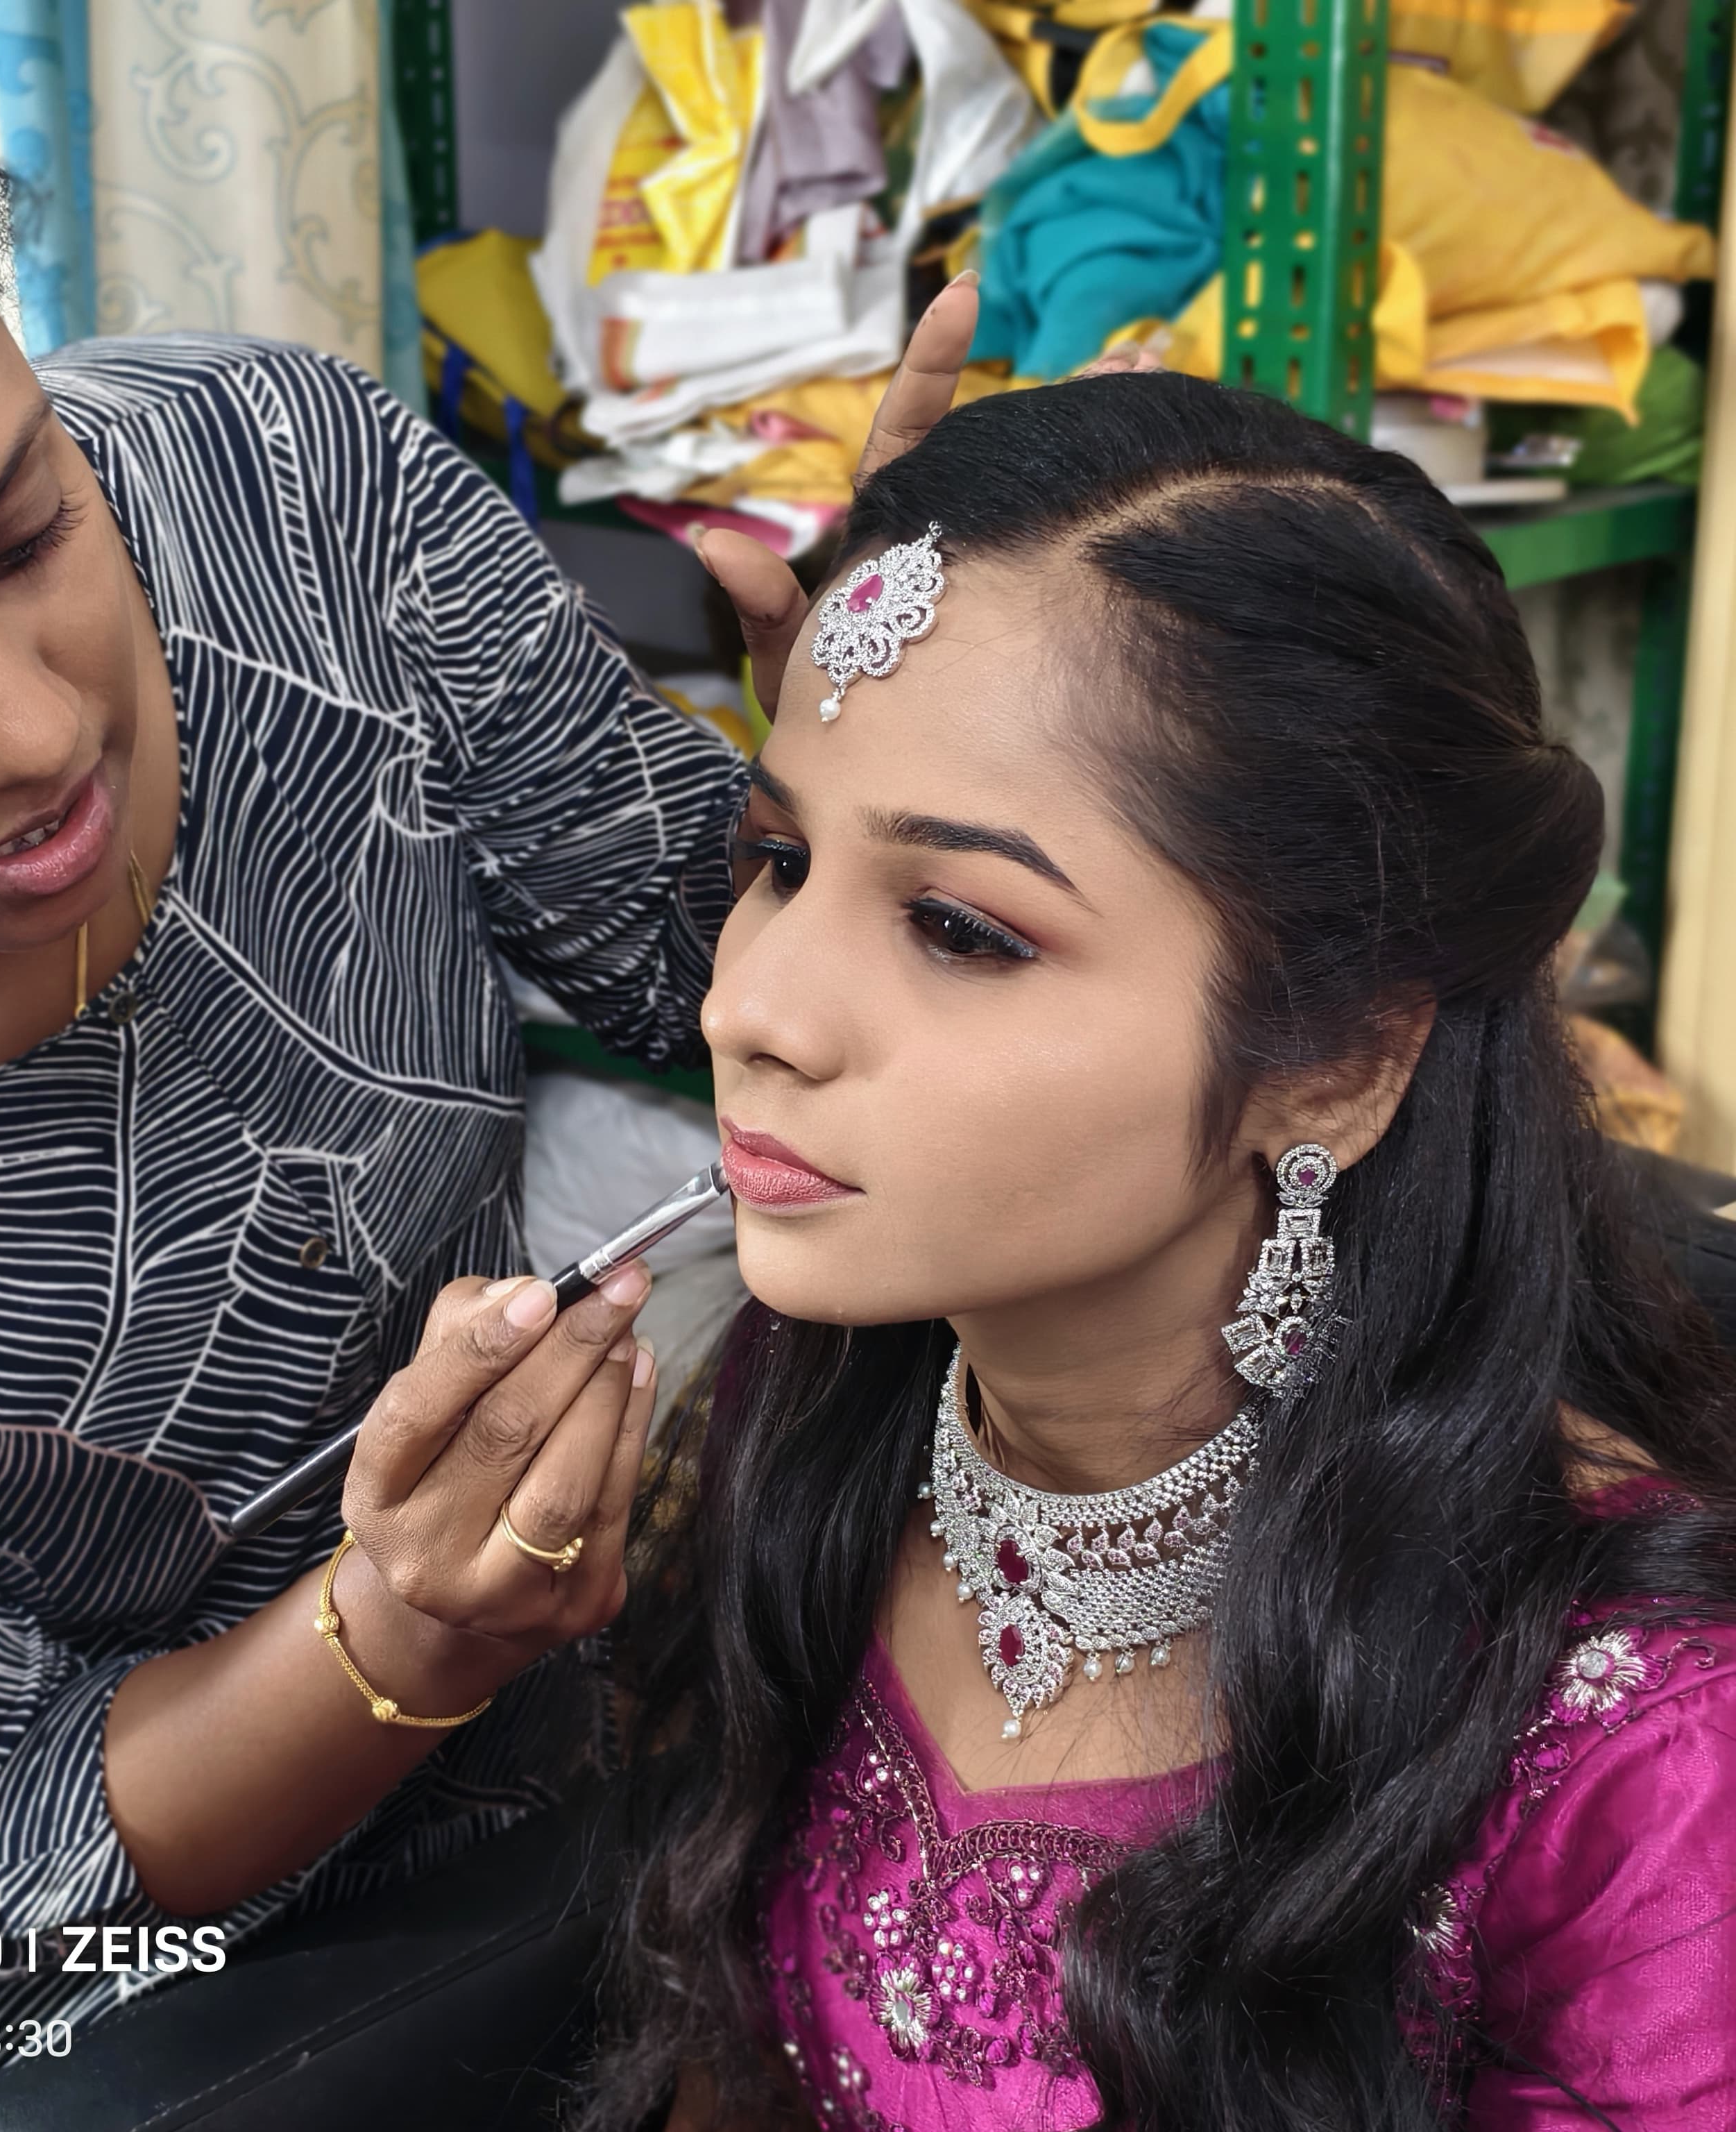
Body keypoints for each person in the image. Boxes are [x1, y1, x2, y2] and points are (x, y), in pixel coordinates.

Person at [0, 4, 978, 2125]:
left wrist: (886, 766)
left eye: (28, 526)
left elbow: (696, 954)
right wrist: (398, 1638)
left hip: (509, 1737)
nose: (29, 729)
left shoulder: (284, 498)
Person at [586, 373, 1736, 2131]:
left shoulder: (1635, 1760)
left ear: (1337, 1057)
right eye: (781, 857)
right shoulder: (807, 1416)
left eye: (960, 927)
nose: (750, 1003)